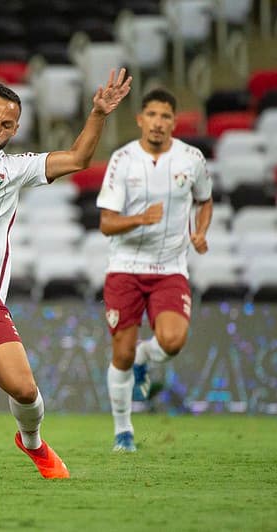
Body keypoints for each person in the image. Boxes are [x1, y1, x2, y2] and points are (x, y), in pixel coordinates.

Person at [0, 70, 132, 481]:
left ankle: (31, 442)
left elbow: (78, 159)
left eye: (6, 124)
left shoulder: (17, 168)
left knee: (26, 391)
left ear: (16, 129)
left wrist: (98, 114)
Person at [97, 88, 213, 452]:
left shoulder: (192, 159)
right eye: (152, 115)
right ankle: (123, 431)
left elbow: (205, 200)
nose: (158, 122)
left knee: (173, 341)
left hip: (170, 267)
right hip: (125, 267)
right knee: (122, 354)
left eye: (165, 116)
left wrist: (200, 231)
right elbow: (106, 223)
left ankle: (147, 359)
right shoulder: (122, 160)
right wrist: (139, 219)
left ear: (174, 122)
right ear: (140, 119)